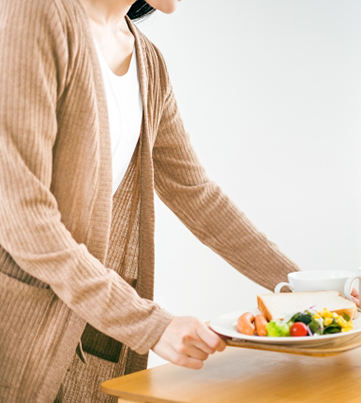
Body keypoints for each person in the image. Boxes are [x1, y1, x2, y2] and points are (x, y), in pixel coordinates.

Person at [0, 0, 310, 401]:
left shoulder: (147, 61)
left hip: (83, 327)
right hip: (17, 328)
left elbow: (197, 195)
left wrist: (303, 290)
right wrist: (152, 325)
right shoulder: (34, 13)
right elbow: (21, 218)